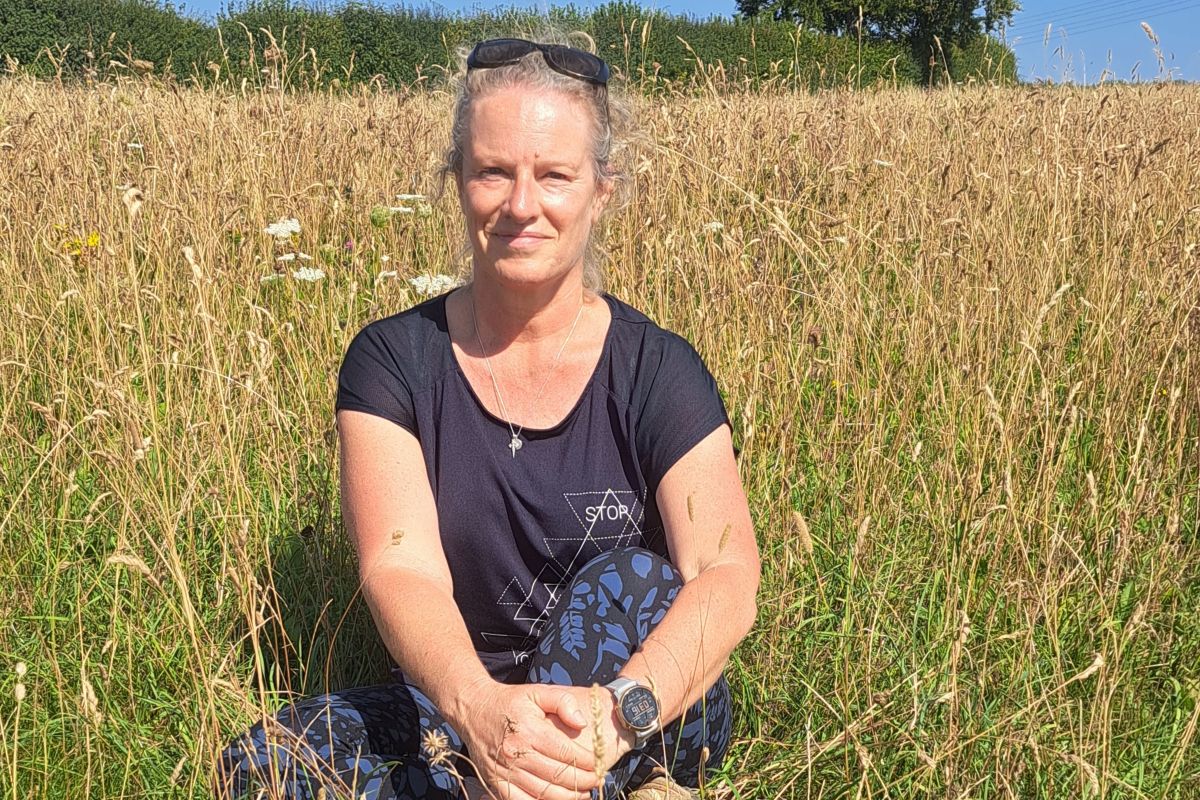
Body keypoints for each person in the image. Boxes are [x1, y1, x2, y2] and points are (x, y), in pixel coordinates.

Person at [217, 36, 760, 800]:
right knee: (263, 764)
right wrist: (480, 711)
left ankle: (586, 781)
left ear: (601, 190)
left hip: (642, 706)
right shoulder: (393, 362)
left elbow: (724, 574)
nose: (521, 204)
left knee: (630, 580)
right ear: (460, 181)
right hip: (463, 700)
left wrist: (614, 719)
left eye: (554, 176)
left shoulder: (658, 369)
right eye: (494, 172)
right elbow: (399, 568)